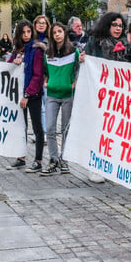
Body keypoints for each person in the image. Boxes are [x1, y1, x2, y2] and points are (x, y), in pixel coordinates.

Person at [84, 12, 128, 183]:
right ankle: (95, 166)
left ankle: (111, 165)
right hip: (99, 94)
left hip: (118, 95)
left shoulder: (125, 43)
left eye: (120, 25)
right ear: (107, 25)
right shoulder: (95, 42)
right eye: (114, 25)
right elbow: (88, 63)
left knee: (114, 132)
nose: (118, 28)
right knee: (98, 130)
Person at [40, 22, 81, 176]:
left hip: (68, 96)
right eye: (54, 32)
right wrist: (46, 80)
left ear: (64, 33)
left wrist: (75, 82)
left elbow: (79, 69)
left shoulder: (74, 52)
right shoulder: (48, 53)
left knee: (65, 129)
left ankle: (64, 159)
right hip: (51, 94)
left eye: (59, 31)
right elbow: (45, 71)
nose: (57, 34)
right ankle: (53, 159)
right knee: (50, 128)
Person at [7, 20, 46, 172]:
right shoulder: (17, 50)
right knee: (20, 126)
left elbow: (38, 75)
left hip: (32, 95)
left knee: (37, 127)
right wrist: (14, 61)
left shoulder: (36, 50)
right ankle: (21, 157)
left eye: (29, 32)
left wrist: (27, 95)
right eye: (23, 32)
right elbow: (8, 68)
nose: (26, 35)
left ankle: (38, 160)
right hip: (18, 93)